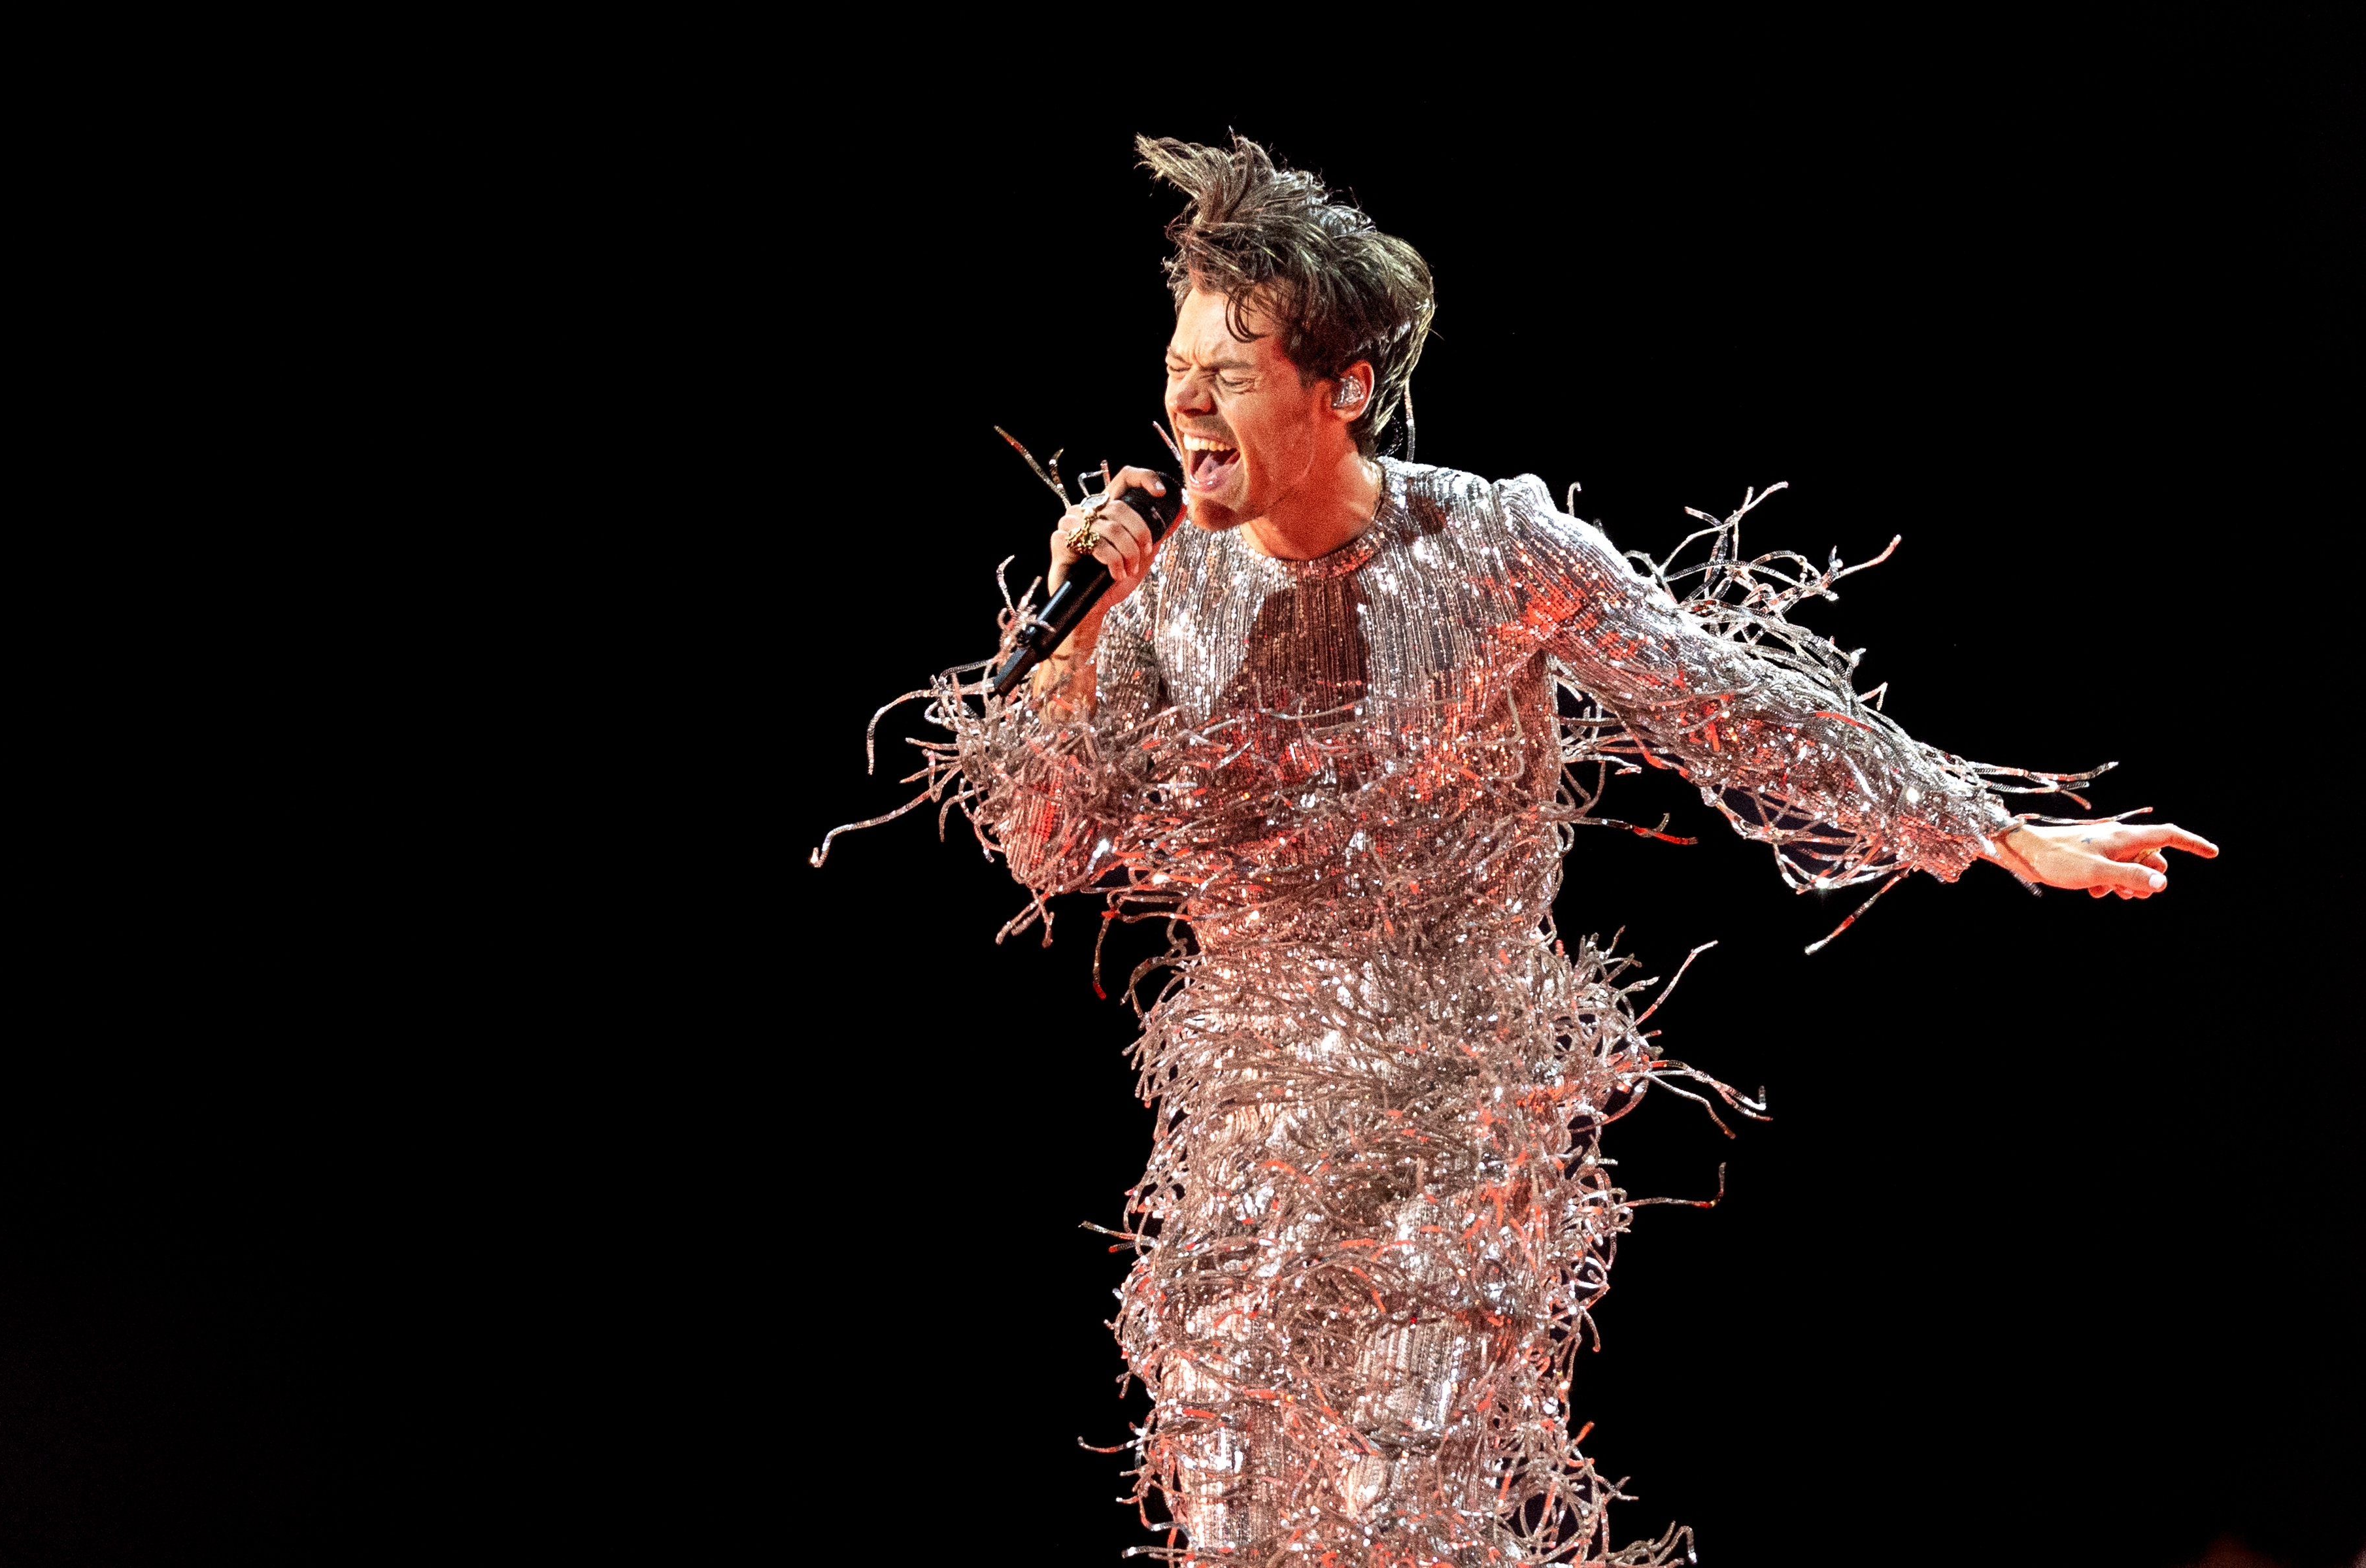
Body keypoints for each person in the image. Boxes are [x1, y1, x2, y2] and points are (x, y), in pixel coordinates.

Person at [820, 133, 2216, 1566]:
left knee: (1399, 1509)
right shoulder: (1159, 584)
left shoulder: (1490, 546)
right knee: (1234, 1511)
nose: (1183, 400)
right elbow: (1048, 844)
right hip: (1249, 1121)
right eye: (1176, 365)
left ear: (1343, 389)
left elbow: (1733, 706)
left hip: (1461, 1105)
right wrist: (1075, 639)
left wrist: (1993, 832)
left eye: (1227, 371)